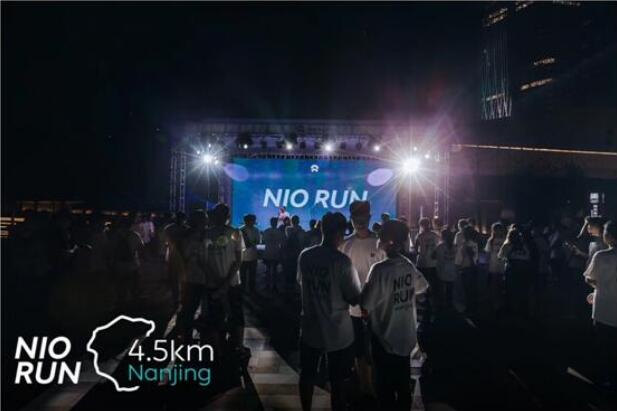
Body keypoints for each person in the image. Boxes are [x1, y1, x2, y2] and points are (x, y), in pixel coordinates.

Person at [362, 219, 429, 411]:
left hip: (384, 338)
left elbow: (365, 304)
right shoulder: (408, 265)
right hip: (405, 338)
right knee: (403, 387)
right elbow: (423, 287)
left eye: (381, 236)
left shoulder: (379, 270)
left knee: (384, 389)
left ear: (388, 241)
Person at [297, 212, 361, 411]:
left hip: (311, 327)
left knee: (307, 374)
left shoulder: (305, 256)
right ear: (339, 233)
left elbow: (300, 283)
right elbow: (353, 297)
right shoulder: (342, 261)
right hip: (338, 331)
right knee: (338, 380)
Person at [339, 201, 385, 398]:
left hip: (378, 308)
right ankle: (365, 387)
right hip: (353, 310)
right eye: (356, 217)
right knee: (358, 349)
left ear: (369, 217)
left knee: (378, 348)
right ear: (351, 218)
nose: (359, 221)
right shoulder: (345, 245)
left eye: (363, 216)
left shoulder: (379, 243)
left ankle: (376, 385)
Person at [205, 203, 245, 351]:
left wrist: (221, 283)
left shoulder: (208, 233)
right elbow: (239, 259)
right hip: (231, 282)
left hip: (216, 283)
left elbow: (204, 261)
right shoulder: (233, 232)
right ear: (228, 216)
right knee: (235, 315)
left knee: (216, 317)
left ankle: (217, 350)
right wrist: (226, 283)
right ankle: (238, 347)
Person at [583, 220, 617, 390]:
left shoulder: (601, 256)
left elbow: (590, 278)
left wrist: (598, 287)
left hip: (604, 306)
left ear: (608, 236)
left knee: (604, 346)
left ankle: (605, 380)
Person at [177, 210, 209, 342]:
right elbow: (186, 256)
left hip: (198, 278)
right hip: (194, 278)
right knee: (190, 309)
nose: (207, 221)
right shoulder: (190, 237)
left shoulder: (202, 235)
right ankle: (187, 338)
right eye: (205, 219)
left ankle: (191, 337)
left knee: (194, 309)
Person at [109, 216, 144, 309]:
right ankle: (133, 304)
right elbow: (141, 249)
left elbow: (110, 251)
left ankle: (121, 304)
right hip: (133, 265)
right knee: (133, 286)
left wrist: (111, 264)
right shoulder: (135, 235)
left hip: (119, 265)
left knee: (120, 286)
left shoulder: (114, 236)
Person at [498, 225, 532, 318]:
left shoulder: (523, 245)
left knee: (520, 289)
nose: (516, 238)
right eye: (515, 236)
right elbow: (500, 256)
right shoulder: (507, 245)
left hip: (521, 270)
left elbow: (528, 256)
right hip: (512, 269)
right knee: (511, 289)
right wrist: (510, 255)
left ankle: (522, 309)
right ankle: (511, 308)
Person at [414, 217, 440, 315]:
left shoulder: (420, 235)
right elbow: (439, 247)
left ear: (421, 225)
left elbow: (416, 249)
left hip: (422, 262)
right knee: (432, 283)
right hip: (432, 263)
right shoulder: (435, 235)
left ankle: (425, 303)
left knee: (422, 284)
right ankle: (432, 304)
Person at [164, 212, 188, 309]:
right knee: (182, 279)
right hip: (182, 256)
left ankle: (177, 299)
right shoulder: (186, 229)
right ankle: (181, 299)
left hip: (173, 256)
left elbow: (167, 241)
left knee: (175, 279)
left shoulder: (168, 228)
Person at [456, 224, 479, 314]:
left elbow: (460, 258)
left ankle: (469, 308)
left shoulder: (465, 244)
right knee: (472, 288)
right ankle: (473, 307)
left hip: (466, 268)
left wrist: (458, 267)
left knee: (467, 289)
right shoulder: (475, 243)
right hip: (474, 267)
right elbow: (476, 257)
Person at [485, 222, 507, 314]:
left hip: (502, 265)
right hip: (493, 265)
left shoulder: (505, 240)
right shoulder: (491, 240)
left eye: (499, 229)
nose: (498, 231)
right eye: (496, 230)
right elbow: (487, 253)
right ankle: (495, 304)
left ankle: (501, 303)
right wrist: (487, 264)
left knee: (501, 285)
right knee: (494, 284)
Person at [434, 228, 457, 310]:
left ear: (442, 236)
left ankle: (442, 306)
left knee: (442, 290)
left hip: (442, 270)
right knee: (450, 290)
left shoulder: (440, 246)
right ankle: (450, 305)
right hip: (452, 270)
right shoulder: (455, 246)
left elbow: (433, 256)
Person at [262, 217, 285, 292]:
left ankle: (267, 285)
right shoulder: (279, 232)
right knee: (274, 270)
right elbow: (282, 242)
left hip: (268, 252)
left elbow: (263, 241)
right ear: (276, 223)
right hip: (275, 252)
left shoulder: (266, 231)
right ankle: (274, 286)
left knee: (268, 270)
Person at [240, 214, 260, 292]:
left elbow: (257, 241)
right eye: (253, 220)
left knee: (252, 275)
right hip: (243, 257)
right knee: (243, 275)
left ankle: (251, 290)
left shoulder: (256, 230)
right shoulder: (240, 230)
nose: (254, 222)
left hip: (252, 256)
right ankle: (243, 290)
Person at [284, 215, 305, 289]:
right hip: (298, 251)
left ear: (291, 221)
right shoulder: (301, 230)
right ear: (298, 221)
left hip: (290, 252)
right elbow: (302, 241)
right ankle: (296, 285)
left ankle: (290, 286)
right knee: (297, 268)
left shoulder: (288, 229)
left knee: (290, 268)